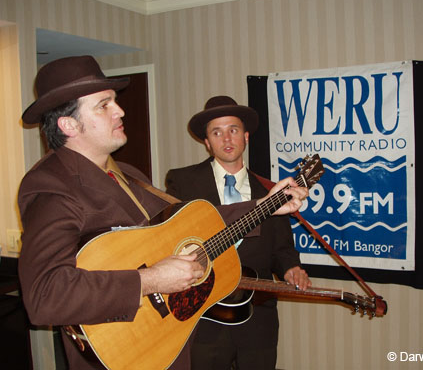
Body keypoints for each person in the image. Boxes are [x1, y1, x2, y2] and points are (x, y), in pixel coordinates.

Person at [17, 56, 308, 370]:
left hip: (167, 349)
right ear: (69, 124)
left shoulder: (126, 174)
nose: (120, 110)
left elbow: (192, 222)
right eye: (104, 105)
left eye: (114, 101)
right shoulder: (50, 186)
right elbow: (44, 297)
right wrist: (150, 280)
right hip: (121, 357)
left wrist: (265, 206)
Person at [165, 95, 312, 370]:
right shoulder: (182, 181)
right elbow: (170, 237)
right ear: (207, 142)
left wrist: (292, 268)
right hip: (203, 316)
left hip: (258, 317)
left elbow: (282, 248)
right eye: (216, 132)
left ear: (245, 137)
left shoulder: (270, 190)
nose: (226, 139)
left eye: (233, 130)